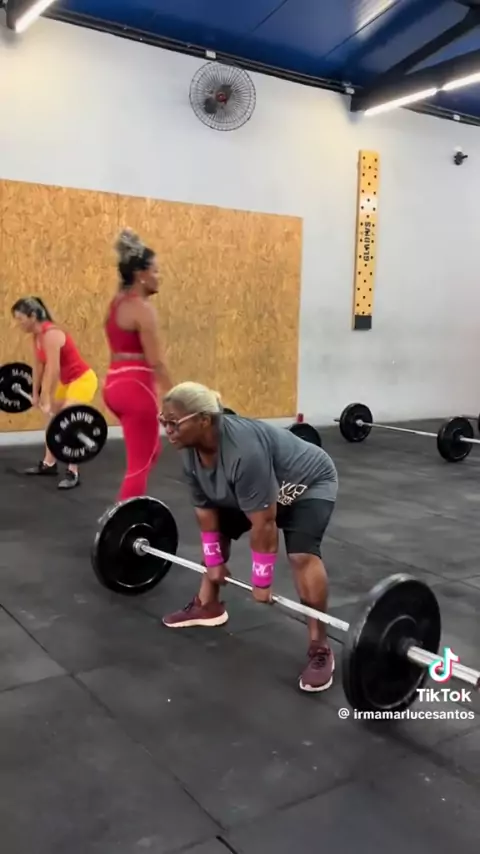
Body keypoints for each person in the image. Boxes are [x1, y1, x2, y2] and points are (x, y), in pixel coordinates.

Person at [160, 381, 338, 694]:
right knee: (219, 527)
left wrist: (262, 580)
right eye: (164, 422)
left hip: (306, 483)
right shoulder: (190, 452)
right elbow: (206, 513)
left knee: (301, 556)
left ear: (204, 420)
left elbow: (265, 524)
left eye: (174, 423)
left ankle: (320, 645)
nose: (168, 430)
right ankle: (208, 605)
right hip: (261, 488)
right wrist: (214, 562)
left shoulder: (243, 451)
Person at [103, 228, 173, 501]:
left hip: (114, 386)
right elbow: (157, 363)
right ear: (140, 274)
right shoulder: (142, 309)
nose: (159, 276)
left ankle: (124, 513)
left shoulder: (116, 303)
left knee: (151, 451)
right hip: (136, 389)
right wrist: (178, 400)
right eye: (155, 271)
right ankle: (123, 520)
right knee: (139, 465)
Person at [11, 296, 98, 490]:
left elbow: (53, 369)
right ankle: (49, 464)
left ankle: (73, 471)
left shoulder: (51, 334)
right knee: (53, 421)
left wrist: (46, 397)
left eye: (20, 319)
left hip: (82, 380)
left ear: (33, 316)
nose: (18, 324)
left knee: (68, 421)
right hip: (67, 382)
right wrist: (35, 393)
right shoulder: (36, 337)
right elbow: (38, 367)